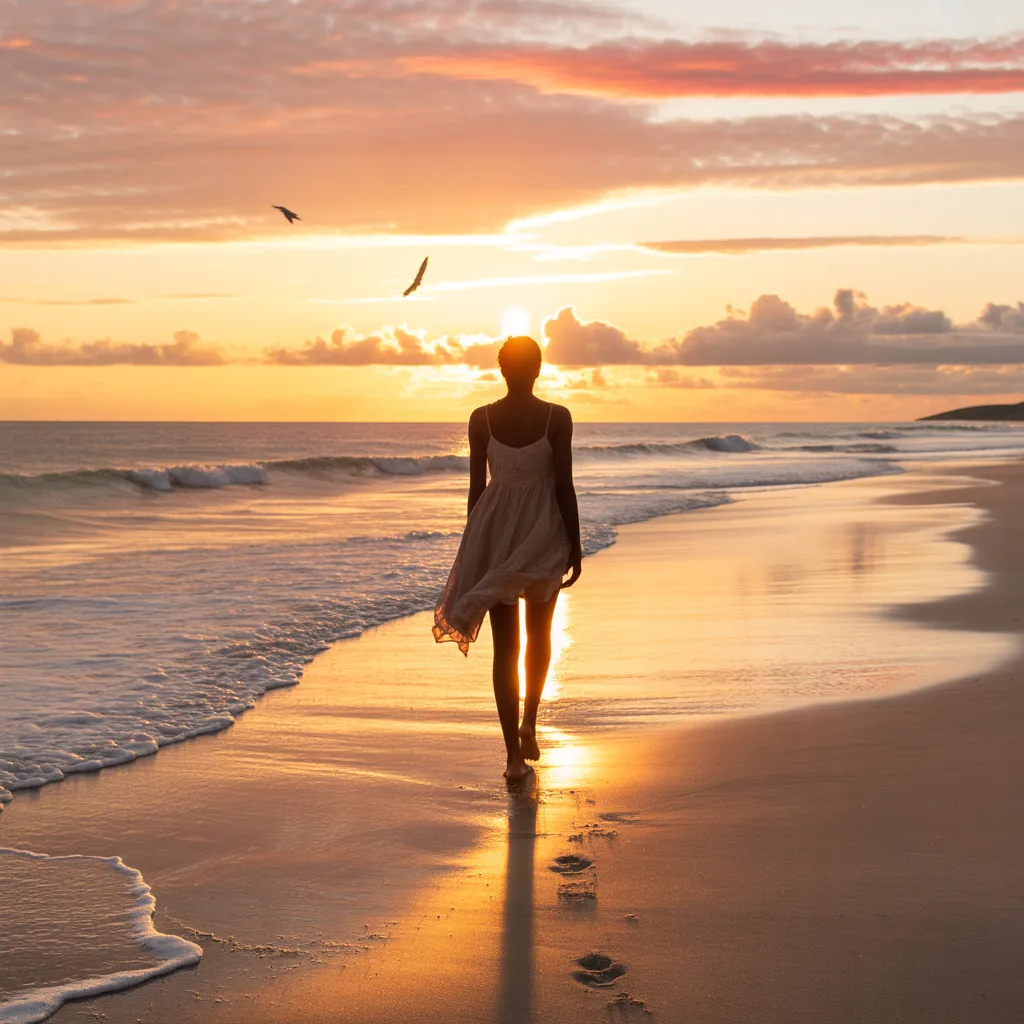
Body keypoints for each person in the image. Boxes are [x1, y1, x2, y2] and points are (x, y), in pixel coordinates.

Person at [433, 335, 582, 781]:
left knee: (506, 649)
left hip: (496, 535)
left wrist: (473, 547)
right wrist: (574, 544)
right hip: (543, 534)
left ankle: (512, 760)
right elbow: (562, 486)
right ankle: (529, 722)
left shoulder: (482, 419)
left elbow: (476, 492)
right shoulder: (557, 417)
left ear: (502, 370)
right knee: (540, 638)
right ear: (537, 369)